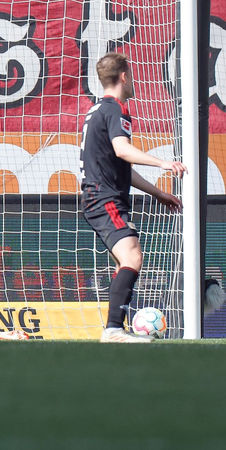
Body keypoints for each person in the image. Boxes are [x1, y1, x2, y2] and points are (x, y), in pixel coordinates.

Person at [79, 52, 186, 344]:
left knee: (123, 262)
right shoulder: (116, 109)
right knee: (133, 256)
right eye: (132, 75)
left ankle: (116, 328)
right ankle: (113, 329)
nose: (133, 80)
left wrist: (159, 193)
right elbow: (123, 150)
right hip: (104, 198)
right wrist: (162, 163)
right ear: (124, 76)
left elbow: (121, 165)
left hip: (99, 197)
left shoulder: (97, 110)